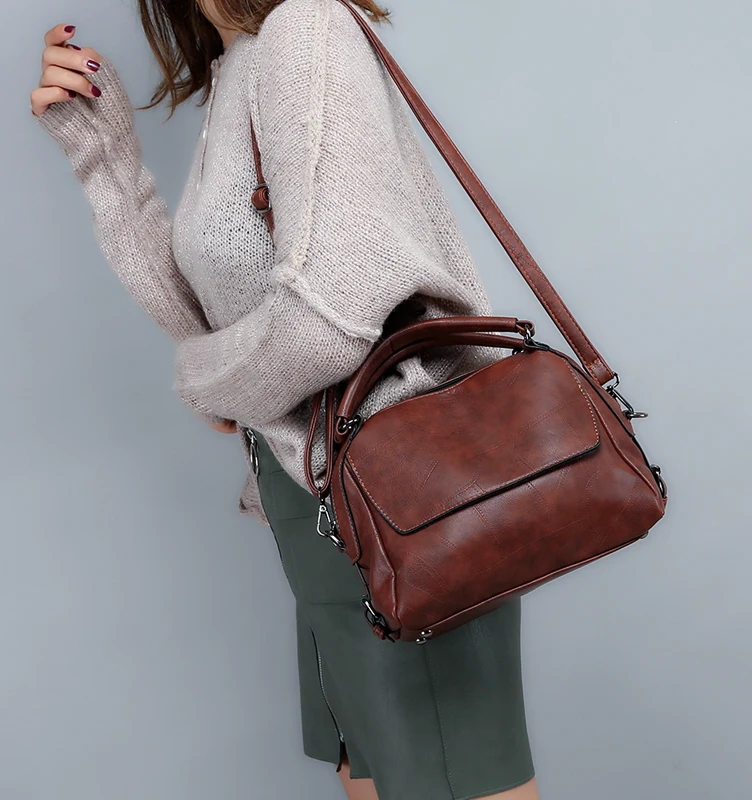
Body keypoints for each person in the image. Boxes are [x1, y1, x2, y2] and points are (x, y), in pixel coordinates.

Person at [31, 1, 541, 797]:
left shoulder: (307, 29)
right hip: (316, 505)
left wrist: (205, 382)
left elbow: (330, 321)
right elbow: (216, 323)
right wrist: (104, 157)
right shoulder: (242, 61)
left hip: (402, 507)